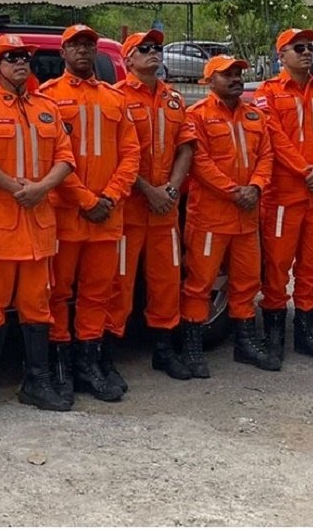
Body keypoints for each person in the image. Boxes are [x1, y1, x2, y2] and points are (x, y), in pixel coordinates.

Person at [0, 34, 76, 418]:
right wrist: (16, 188)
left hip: (37, 224)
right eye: (11, 58)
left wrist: (41, 188)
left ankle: (37, 382)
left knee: (37, 306)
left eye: (25, 57)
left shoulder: (47, 106)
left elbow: (65, 155)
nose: (21, 63)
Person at [37, 24, 139, 402]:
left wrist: (109, 197)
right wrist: (85, 199)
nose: (83, 50)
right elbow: (50, 159)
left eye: (89, 45)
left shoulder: (115, 98)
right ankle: (60, 365)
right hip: (67, 214)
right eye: (75, 45)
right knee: (58, 292)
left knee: (99, 292)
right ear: (62, 53)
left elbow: (131, 154)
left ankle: (89, 363)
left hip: (107, 214)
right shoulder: (47, 98)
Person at [180, 55, 279, 378]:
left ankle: (245, 344)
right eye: (228, 75)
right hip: (210, 218)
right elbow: (199, 162)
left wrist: (255, 186)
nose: (236, 79)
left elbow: (266, 156)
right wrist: (234, 191)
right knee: (200, 284)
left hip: (246, 218)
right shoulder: (196, 116)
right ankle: (192, 350)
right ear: (209, 81)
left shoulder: (255, 115)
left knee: (247, 283)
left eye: (238, 74)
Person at [251, 28, 313, 364]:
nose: (307, 52)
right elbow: (274, 140)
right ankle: (273, 336)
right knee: (276, 267)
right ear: (282, 55)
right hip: (283, 197)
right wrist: (308, 171)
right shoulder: (268, 93)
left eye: (310, 47)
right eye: (298, 47)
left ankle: (307, 334)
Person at [109, 29, 194, 381]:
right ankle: (107, 355)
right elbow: (115, 155)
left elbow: (186, 146)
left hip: (165, 210)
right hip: (129, 208)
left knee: (166, 282)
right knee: (119, 284)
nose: (153, 53)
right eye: (143, 49)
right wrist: (149, 190)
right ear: (127, 59)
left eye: (157, 48)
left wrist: (172, 190)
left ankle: (164, 351)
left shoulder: (174, 99)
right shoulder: (114, 98)